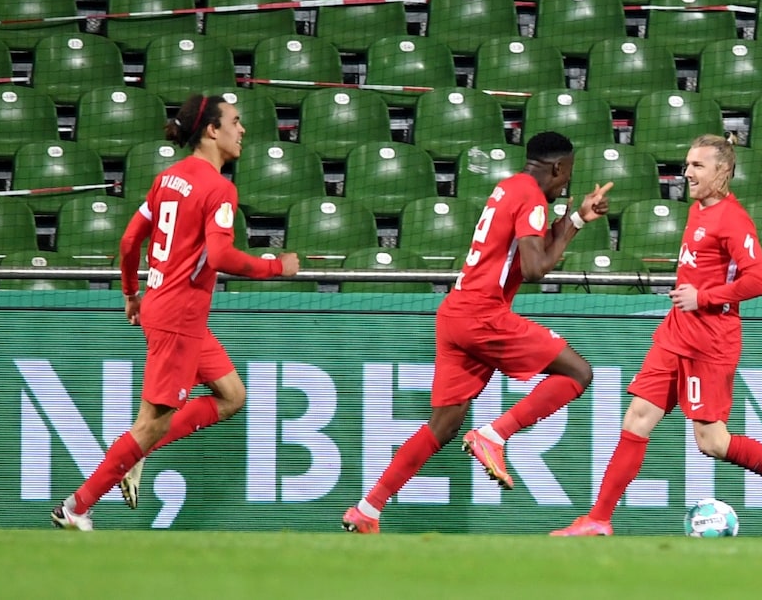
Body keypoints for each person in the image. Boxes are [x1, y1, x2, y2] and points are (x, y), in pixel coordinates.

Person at [550, 133, 762, 537]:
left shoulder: (733, 220)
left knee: (711, 442)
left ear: (723, 171)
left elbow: (760, 280)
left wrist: (705, 297)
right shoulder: (698, 211)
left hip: (709, 341)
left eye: (698, 165)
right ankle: (599, 518)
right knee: (637, 418)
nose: (687, 173)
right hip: (676, 333)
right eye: (687, 164)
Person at [342, 131, 614, 534]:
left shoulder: (509, 188)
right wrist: (565, 223)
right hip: (482, 314)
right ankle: (493, 435)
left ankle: (368, 508)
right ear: (557, 167)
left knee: (444, 425)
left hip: (456, 312)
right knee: (578, 373)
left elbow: (531, 254)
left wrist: (575, 219)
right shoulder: (532, 198)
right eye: (567, 174)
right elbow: (537, 268)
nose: (566, 184)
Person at [52, 93, 301, 530]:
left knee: (232, 396)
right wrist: (276, 266)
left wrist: (131, 292)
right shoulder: (218, 187)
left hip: (160, 304)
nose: (242, 130)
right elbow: (221, 256)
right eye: (236, 122)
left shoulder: (168, 179)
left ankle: (133, 449)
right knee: (150, 424)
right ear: (211, 130)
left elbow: (131, 242)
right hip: (180, 316)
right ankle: (77, 506)